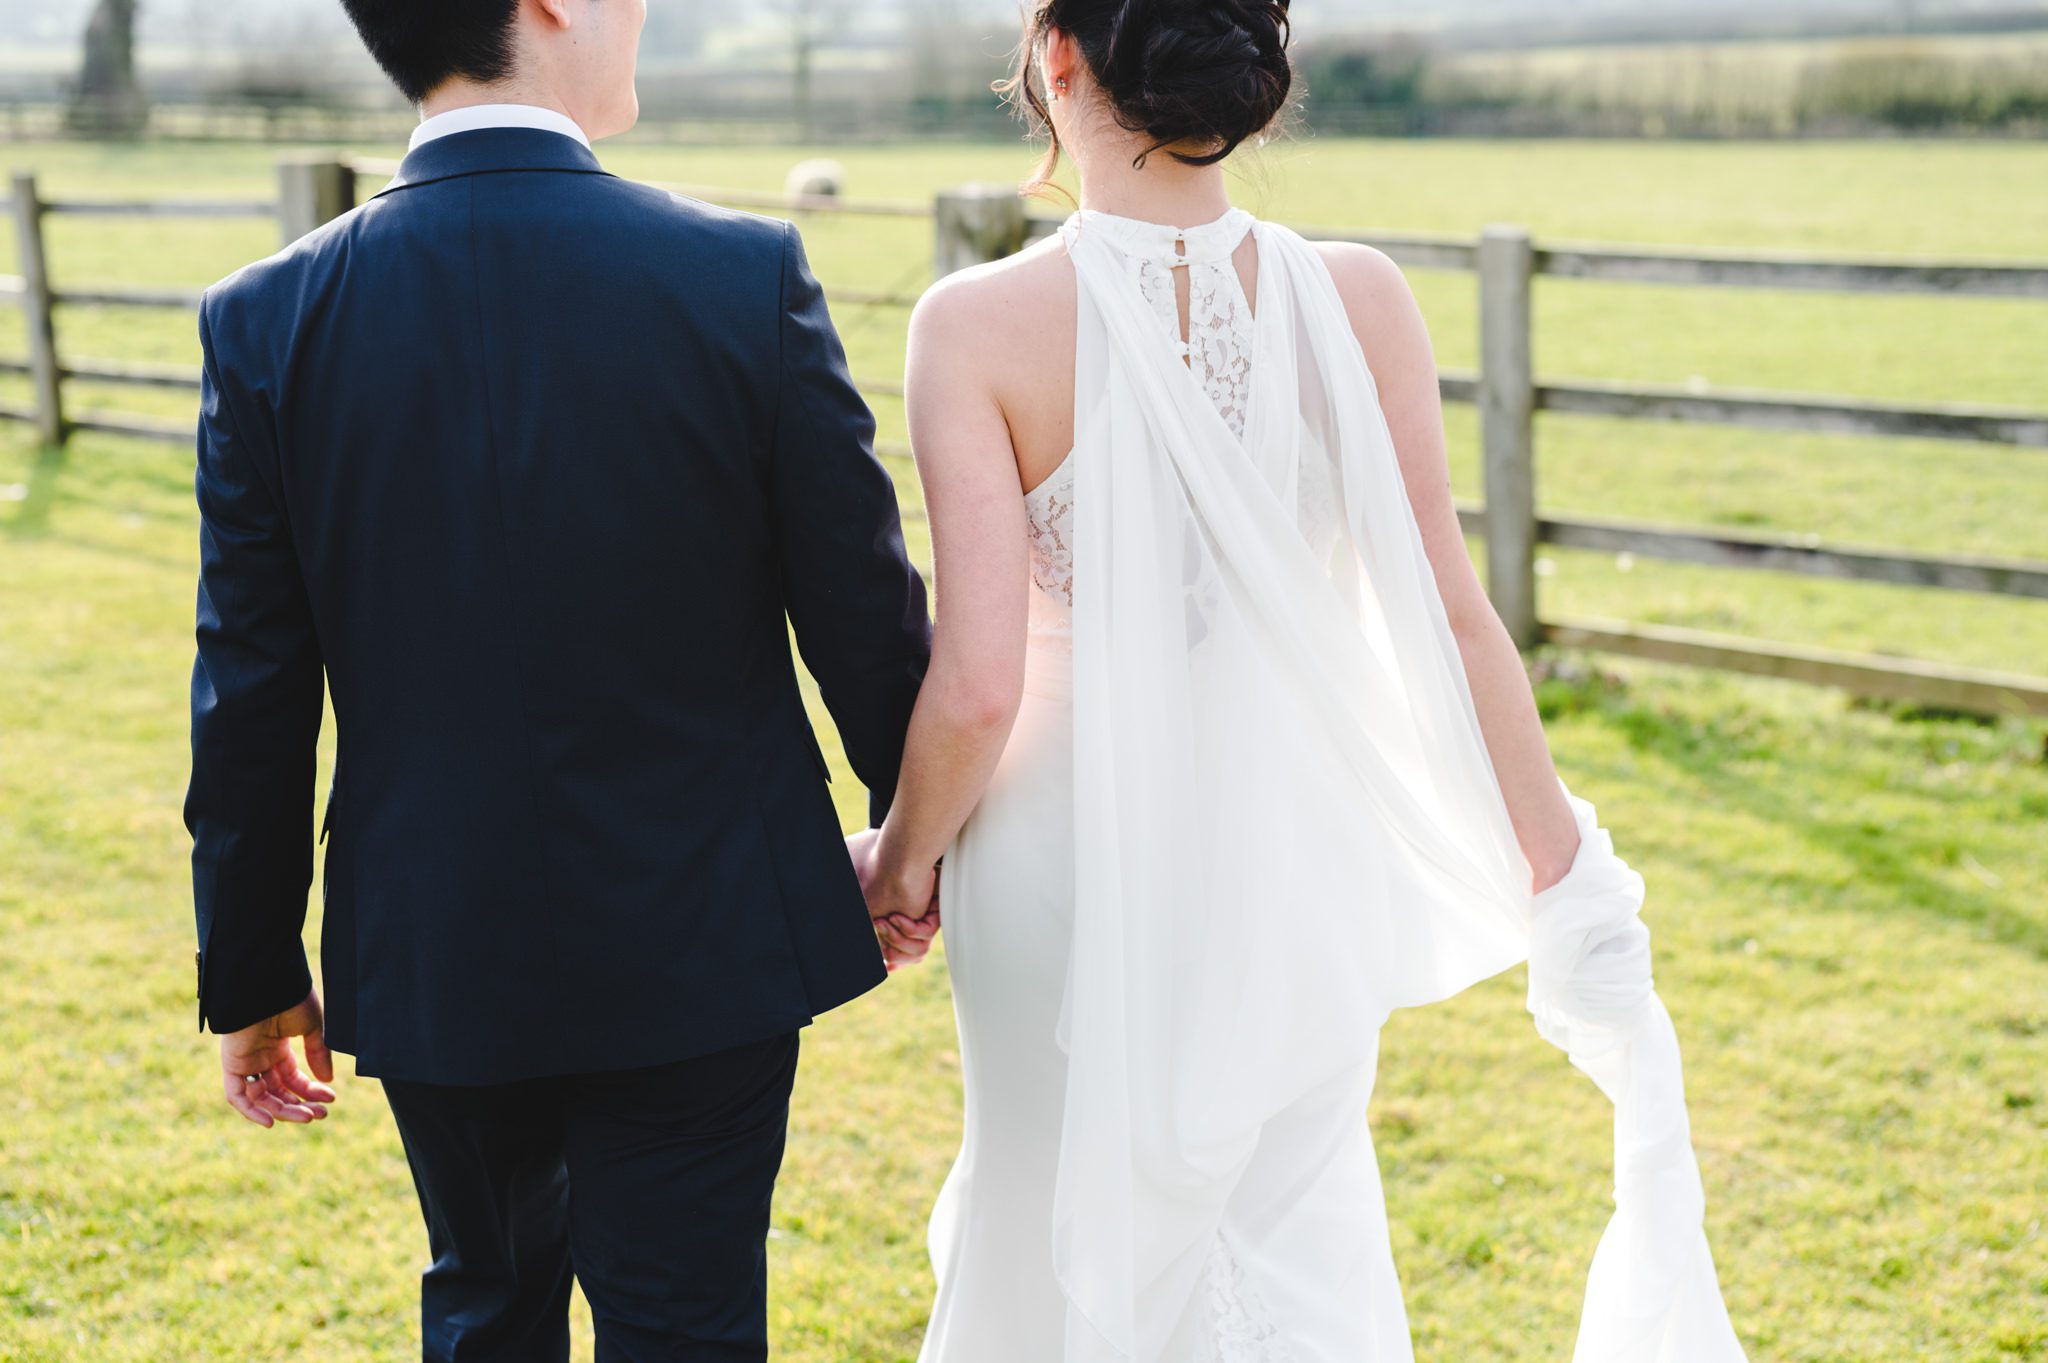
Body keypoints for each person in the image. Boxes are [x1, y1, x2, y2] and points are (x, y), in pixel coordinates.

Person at [854, 2, 1750, 1360]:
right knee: (1291, 1228)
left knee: (1049, 1231)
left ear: (1058, 60)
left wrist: (904, 864)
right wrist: (1561, 869)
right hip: (1287, 849)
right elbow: (1453, 619)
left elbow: (979, 686)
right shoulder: (1360, 297)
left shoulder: (973, 327)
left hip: (1060, 865)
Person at [181, 1, 931, 1358]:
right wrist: (918, 843)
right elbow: (865, 616)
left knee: (485, 1303)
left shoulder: (267, 318)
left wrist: (249, 968)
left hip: (434, 940)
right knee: (688, 1324)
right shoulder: (740, 275)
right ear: (549, 6)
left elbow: (252, 693)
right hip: (711, 932)